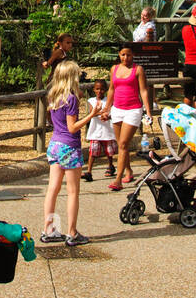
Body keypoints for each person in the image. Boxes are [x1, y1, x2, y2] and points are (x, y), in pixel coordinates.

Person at [40, 60, 95, 247]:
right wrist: (90, 115)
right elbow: (72, 128)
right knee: (72, 192)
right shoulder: (71, 99)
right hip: (69, 147)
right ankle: (72, 232)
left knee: (52, 189)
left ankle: (49, 229)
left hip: (54, 144)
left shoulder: (54, 96)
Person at [107, 46, 152, 192]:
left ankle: (118, 179)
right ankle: (128, 170)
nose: (126, 58)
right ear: (119, 55)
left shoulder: (138, 69)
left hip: (133, 109)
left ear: (133, 55)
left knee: (124, 144)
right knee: (121, 144)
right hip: (117, 109)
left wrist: (148, 111)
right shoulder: (114, 69)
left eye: (128, 55)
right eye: (123, 55)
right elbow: (111, 89)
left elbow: (143, 91)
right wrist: (107, 108)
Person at [83, 78, 116, 183]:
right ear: (94, 89)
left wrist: (106, 115)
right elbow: (91, 112)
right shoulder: (92, 100)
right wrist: (101, 113)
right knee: (93, 151)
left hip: (107, 130)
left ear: (105, 90)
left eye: (102, 89)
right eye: (97, 89)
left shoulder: (109, 101)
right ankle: (89, 171)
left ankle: (111, 165)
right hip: (96, 131)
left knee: (109, 151)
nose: (99, 91)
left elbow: (112, 112)